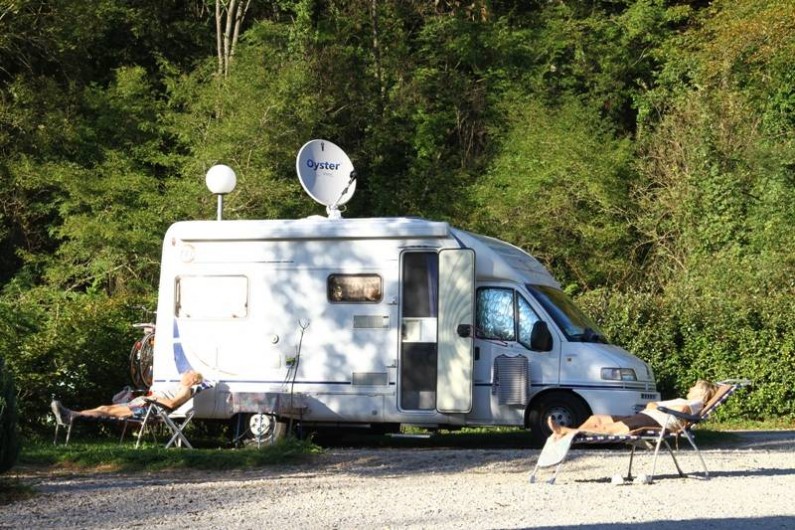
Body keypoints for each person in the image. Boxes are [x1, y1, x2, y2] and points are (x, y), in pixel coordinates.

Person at [547, 380, 719, 439]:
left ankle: (567, 433)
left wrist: (658, 406)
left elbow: (683, 408)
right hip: (649, 415)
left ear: (701, 392)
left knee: (610, 429)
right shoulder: (688, 400)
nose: (690, 388)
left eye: (694, 387)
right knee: (596, 419)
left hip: (657, 421)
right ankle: (571, 432)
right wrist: (655, 406)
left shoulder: (697, 403)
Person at [52, 371, 204, 424]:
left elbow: (171, 404)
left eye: (187, 373)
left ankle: (70, 415)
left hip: (146, 409)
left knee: (106, 411)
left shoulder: (185, 390)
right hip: (144, 404)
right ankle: (70, 415)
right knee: (104, 408)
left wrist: (153, 399)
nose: (183, 374)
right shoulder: (180, 387)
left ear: (192, 379)